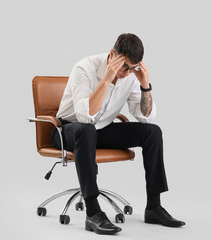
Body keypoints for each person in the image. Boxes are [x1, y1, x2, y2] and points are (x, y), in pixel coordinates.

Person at [51, 33, 185, 235]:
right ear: (113, 55)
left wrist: (145, 84)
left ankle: (154, 207)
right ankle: (93, 213)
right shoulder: (84, 68)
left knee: (152, 132)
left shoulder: (130, 76)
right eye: (123, 67)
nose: (126, 73)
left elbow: (146, 117)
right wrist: (107, 79)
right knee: (86, 130)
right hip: (68, 130)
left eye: (132, 69)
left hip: (100, 130)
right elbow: (85, 116)